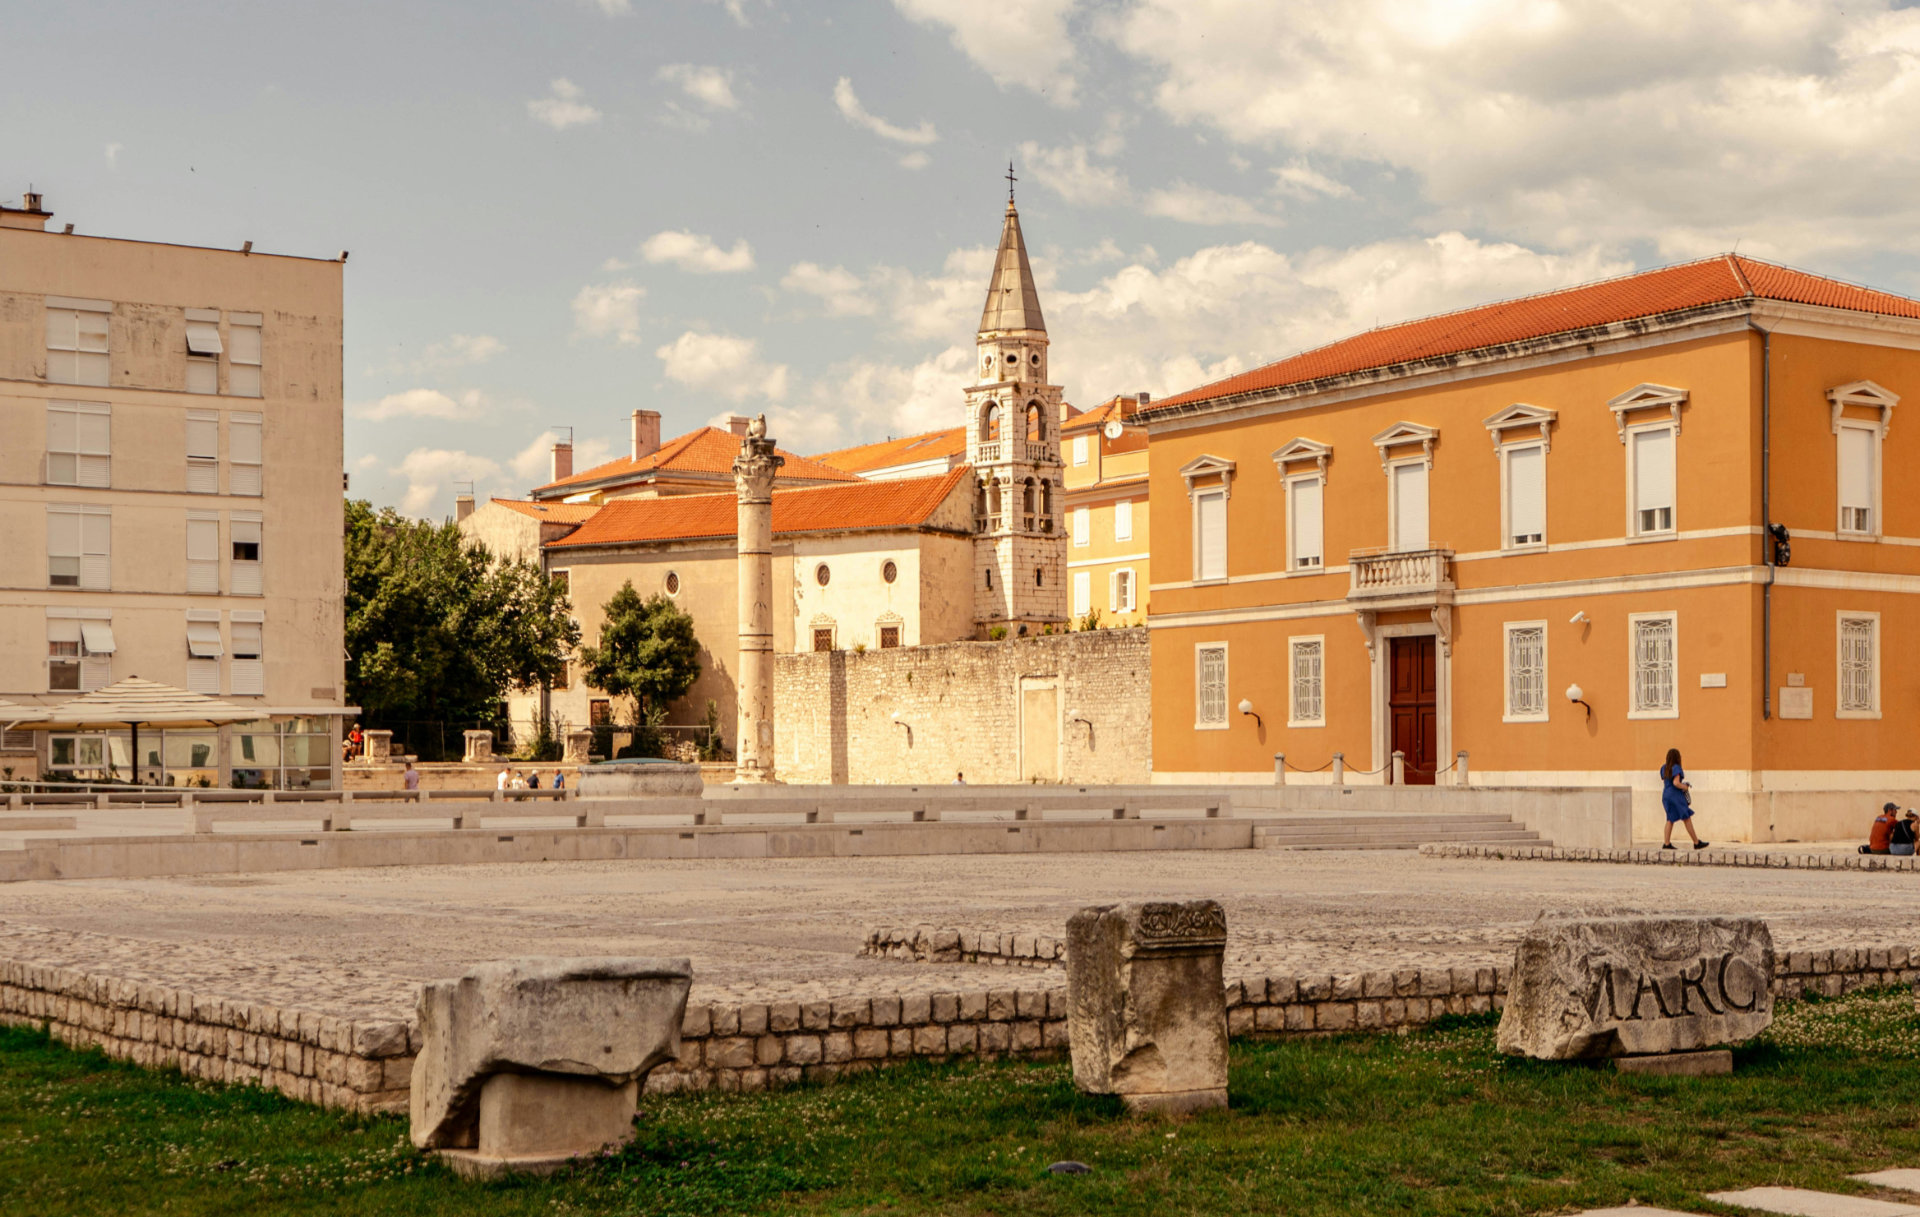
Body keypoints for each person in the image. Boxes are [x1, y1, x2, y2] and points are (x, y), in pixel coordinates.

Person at [1660, 748, 1708, 850]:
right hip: (1675, 796)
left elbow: (1668, 781)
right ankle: (1696, 842)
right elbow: (1676, 783)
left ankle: (1666, 844)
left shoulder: (1664, 767)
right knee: (1686, 817)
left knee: (1670, 819)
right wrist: (1685, 786)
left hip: (1666, 795)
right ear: (1677, 757)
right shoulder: (1676, 767)